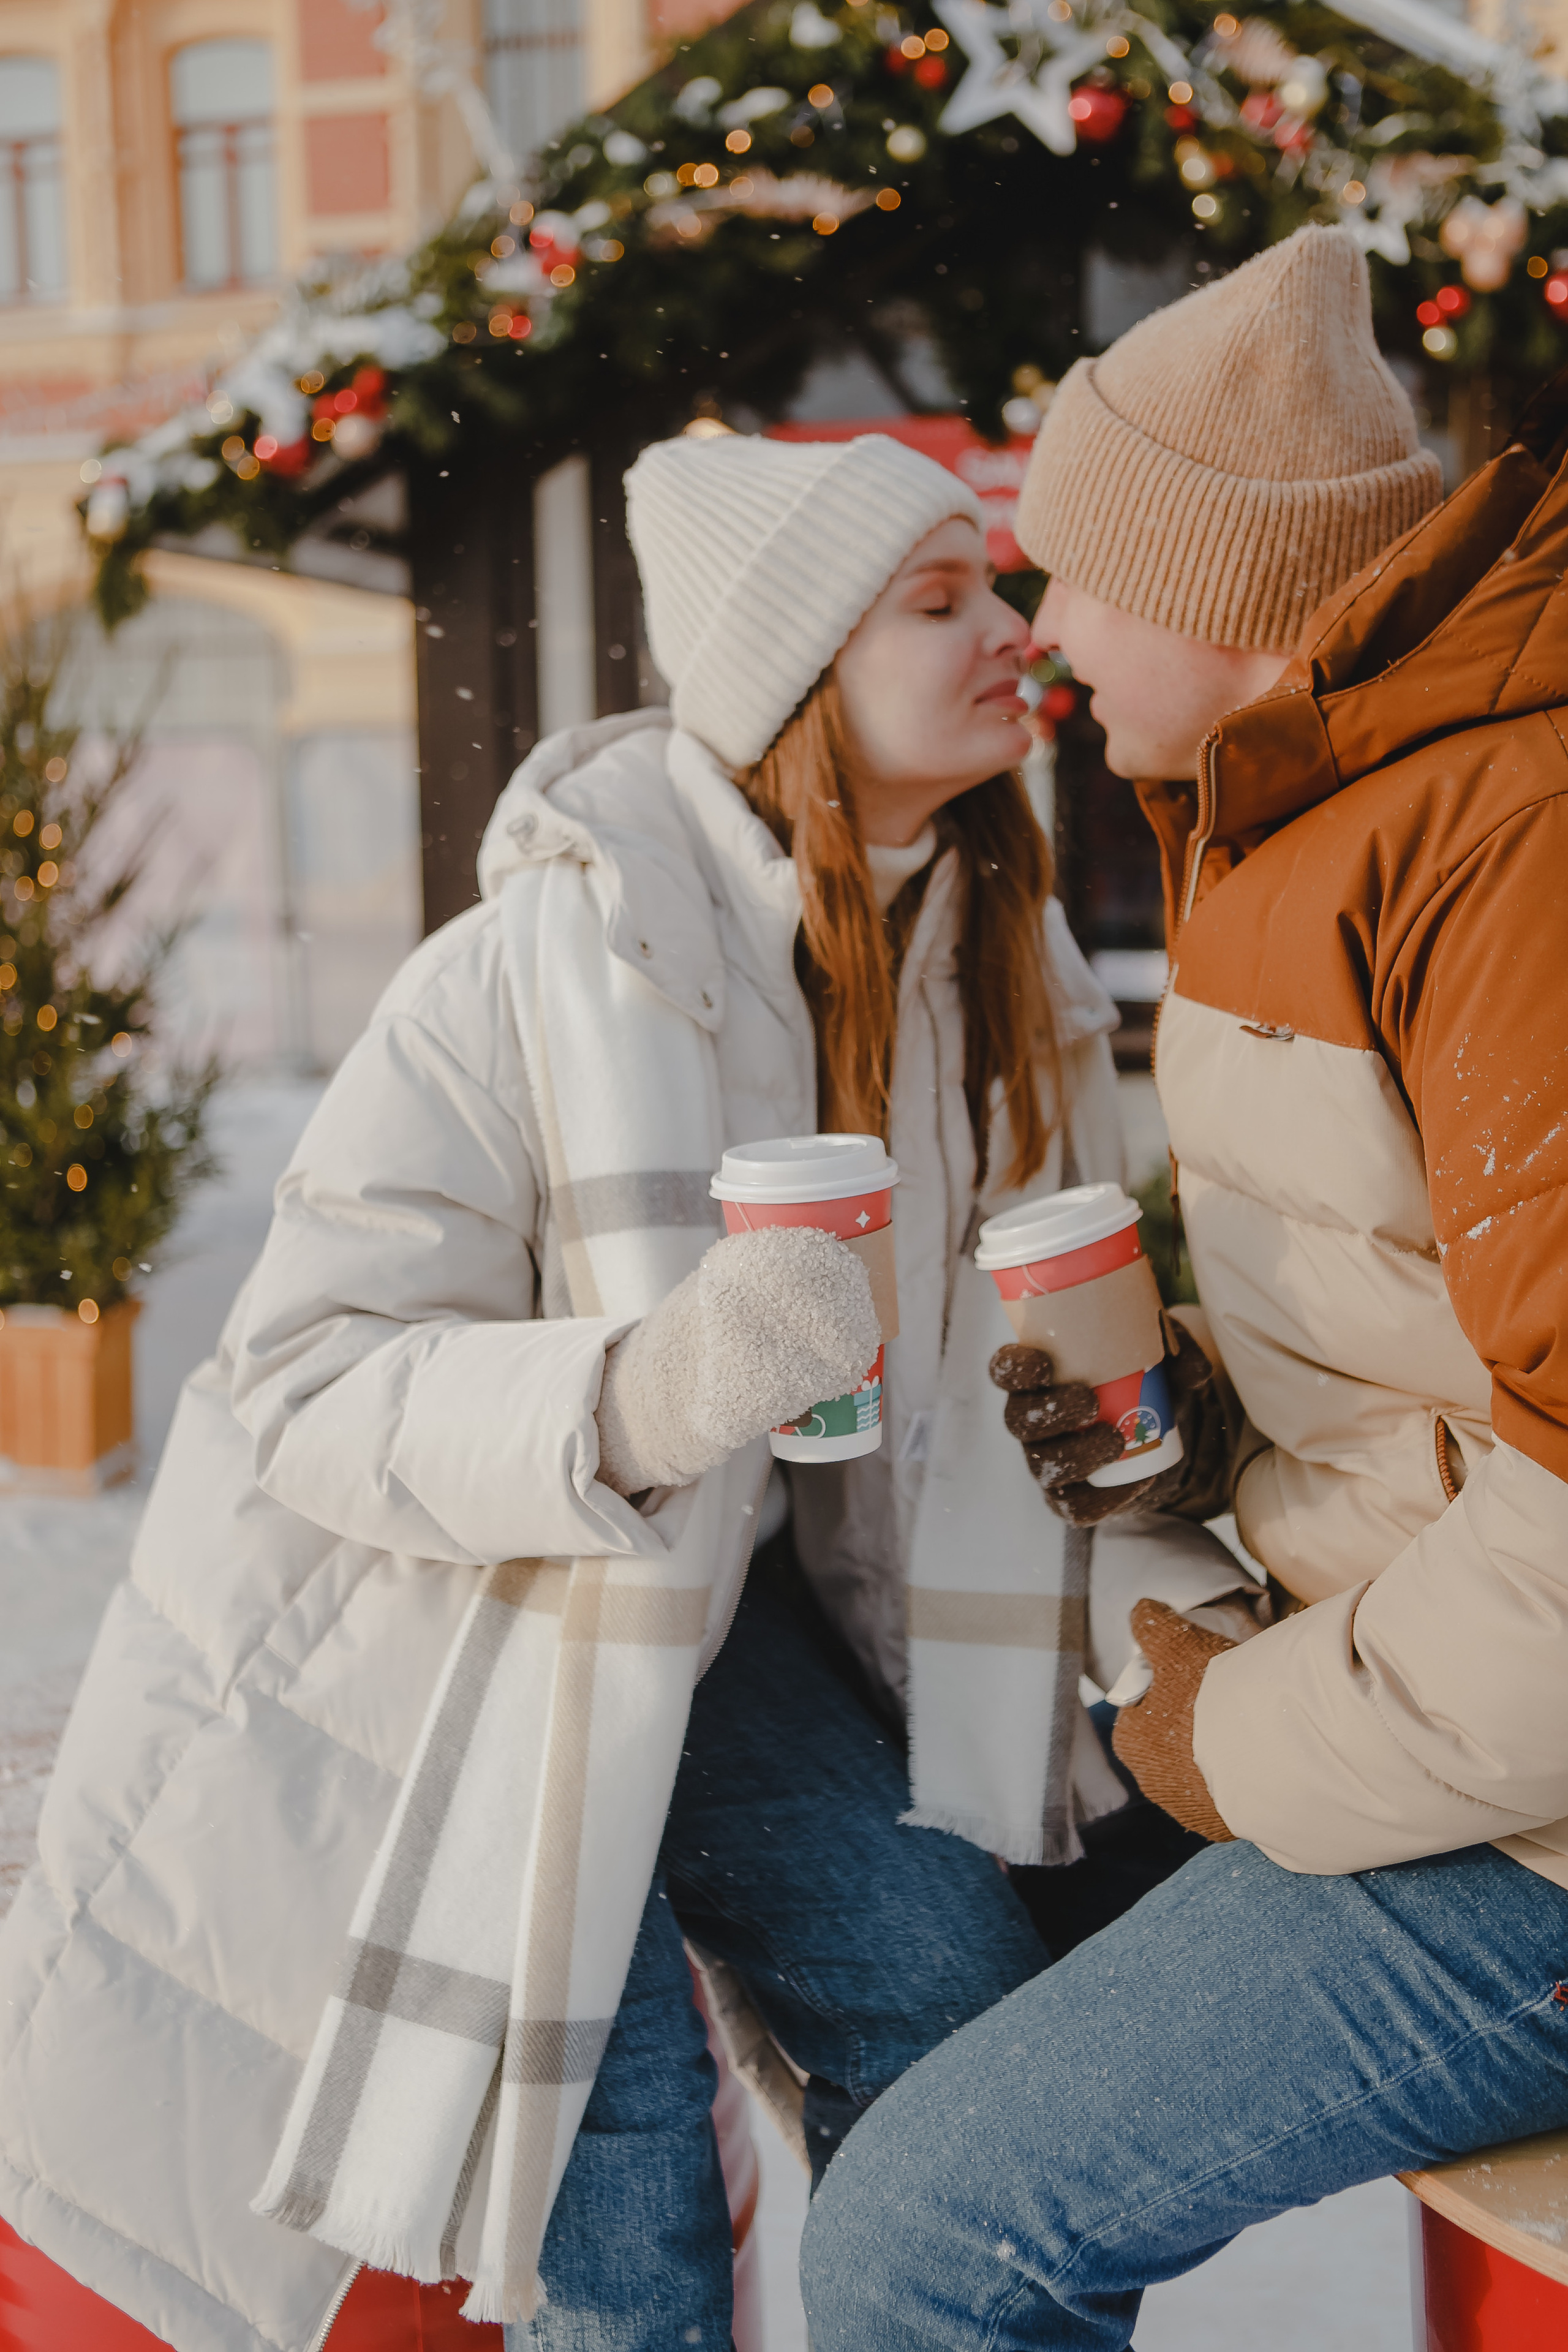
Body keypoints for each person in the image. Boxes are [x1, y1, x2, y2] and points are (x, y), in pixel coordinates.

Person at [0, 427, 1240, 2352]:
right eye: (941, 604)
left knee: (968, 2045)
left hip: (733, 1609)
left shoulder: (999, 967)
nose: (1015, 629)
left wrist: (1107, 1420)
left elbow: (940, 1430)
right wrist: (643, 1391)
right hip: (469, 1643)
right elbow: (306, 1382)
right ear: (794, 679)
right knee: (616, 2173)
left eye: (993, 588)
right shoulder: (530, 969)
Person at [799, 223, 1568, 2348]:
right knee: (934, 1951)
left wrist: (1252, 1738)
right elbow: (1445, 1298)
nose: (1041, 626)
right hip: (1465, 1719)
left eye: (1064, 570)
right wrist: (1222, 1397)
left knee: (928, 2246)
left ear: (1223, 592)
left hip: (1534, 1824)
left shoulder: (1505, 838)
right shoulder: (1307, 799)